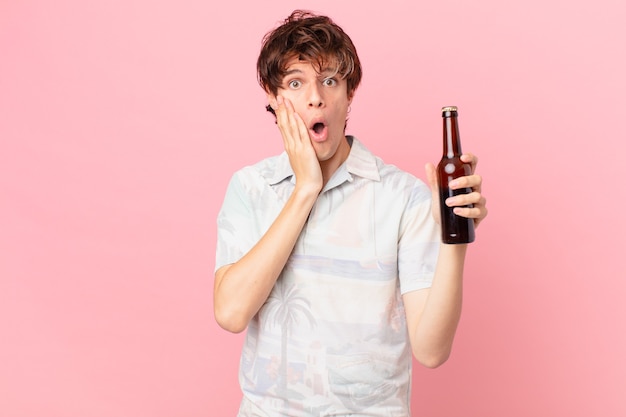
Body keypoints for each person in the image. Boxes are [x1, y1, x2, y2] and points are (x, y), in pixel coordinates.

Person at [214, 10, 488, 417]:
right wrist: (305, 189)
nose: (315, 97)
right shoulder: (250, 187)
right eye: (295, 82)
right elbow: (231, 313)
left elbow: (431, 351)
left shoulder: (403, 197)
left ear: (349, 94)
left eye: (329, 81)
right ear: (274, 99)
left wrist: (455, 238)